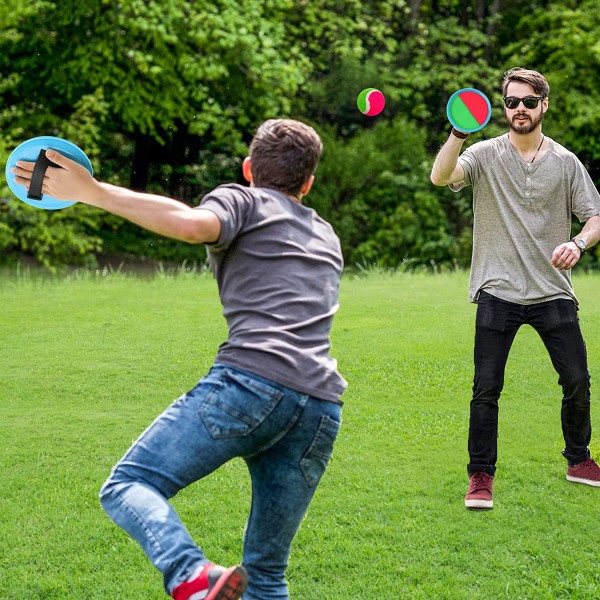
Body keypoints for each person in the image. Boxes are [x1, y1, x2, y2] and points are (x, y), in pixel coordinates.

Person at [11, 119, 346, 599]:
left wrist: (91, 190)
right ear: (308, 183)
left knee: (129, 485)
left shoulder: (244, 200)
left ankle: (190, 572)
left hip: (251, 386)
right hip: (319, 410)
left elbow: (191, 224)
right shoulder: (326, 234)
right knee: (267, 574)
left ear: (249, 169)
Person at [430, 67, 600, 510]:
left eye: (528, 101)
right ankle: (480, 476)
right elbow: (440, 176)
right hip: (498, 289)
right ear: (503, 107)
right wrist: (458, 133)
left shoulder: (565, 162)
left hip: (552, 291)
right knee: (486, 388)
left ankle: (579, 460)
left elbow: (595, 216)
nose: (519, 109)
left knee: (577, 379)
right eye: (511, 102)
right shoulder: (483, 154)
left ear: (544, 105)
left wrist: (578, 242)